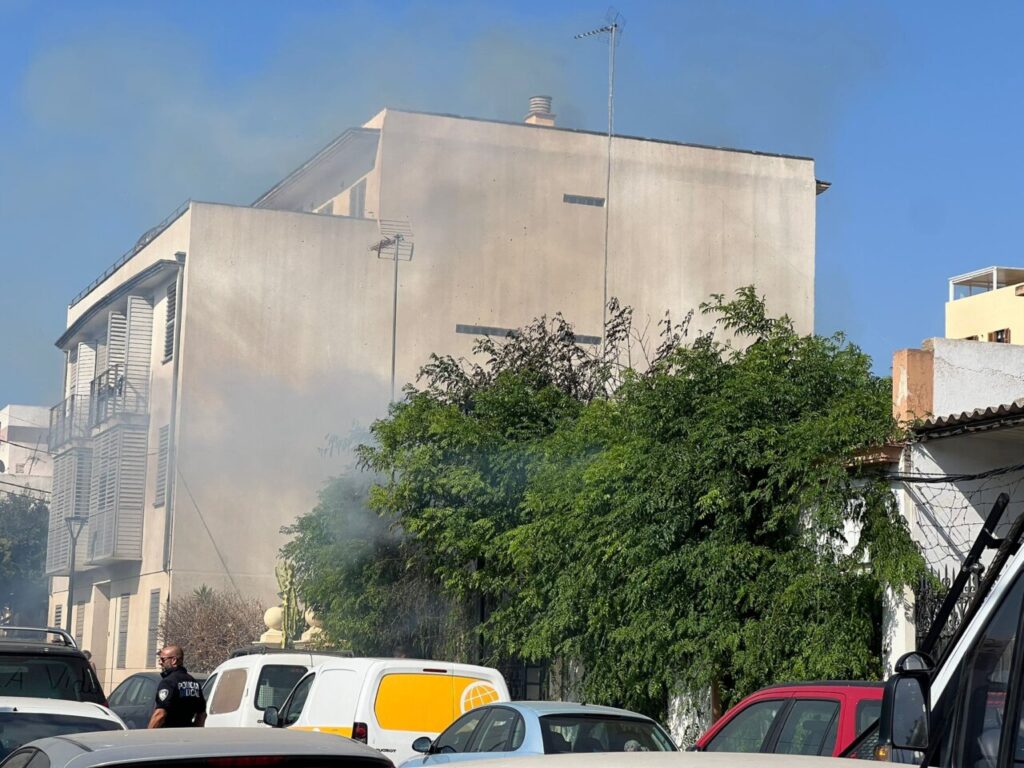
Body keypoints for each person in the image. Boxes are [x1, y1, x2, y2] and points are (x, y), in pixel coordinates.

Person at [147, 644, 206, 728]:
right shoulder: (194, 683)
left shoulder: (168, 682)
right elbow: (202, 715)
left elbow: (160, 714)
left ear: (174, 660)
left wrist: (148, 735)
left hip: (169, 735)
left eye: (163, 659)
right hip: (187, 734)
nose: (160, 663)